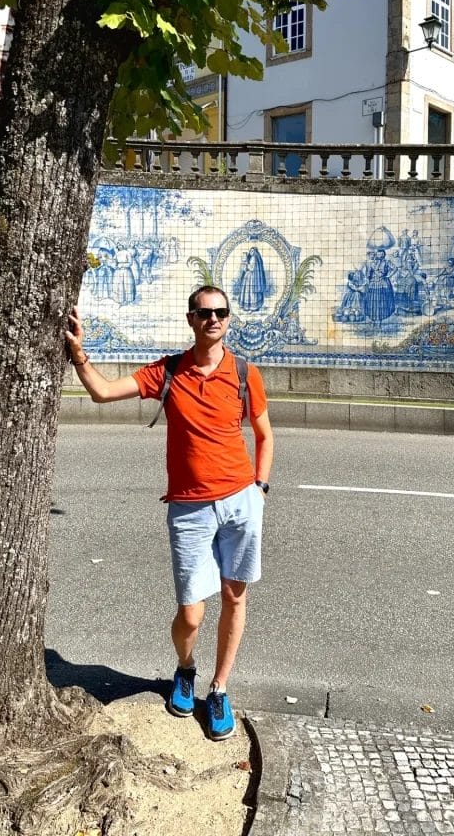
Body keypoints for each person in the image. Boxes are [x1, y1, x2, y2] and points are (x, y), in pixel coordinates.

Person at [65, 285, 273, 741]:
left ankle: (218, 689)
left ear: (229, 319)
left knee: (235, 598)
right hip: (190, 508)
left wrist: (258, 487)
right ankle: (185, 668)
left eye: (220, 312)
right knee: (192, 613)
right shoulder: (169, 371)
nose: (213, 319)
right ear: (190, 319)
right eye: (204, 313)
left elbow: (263, 433)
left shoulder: (243, 372)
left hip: (240, 501)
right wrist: (79, 353)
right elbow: (102, 392)